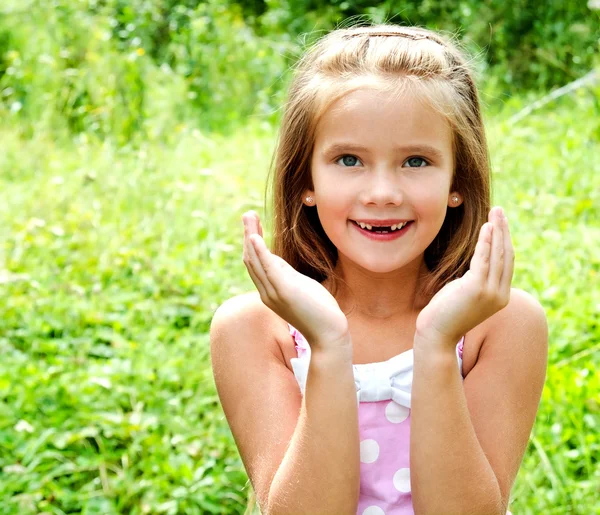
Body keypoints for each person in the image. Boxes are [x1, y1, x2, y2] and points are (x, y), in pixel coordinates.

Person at [210, 23, 548, 515]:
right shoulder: (256, 330)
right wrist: (326, 343)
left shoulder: (500, 324)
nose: (383, 192)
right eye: (349, 159)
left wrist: (435, 343)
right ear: (305, 179)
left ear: (458, 182)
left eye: (415, 161)